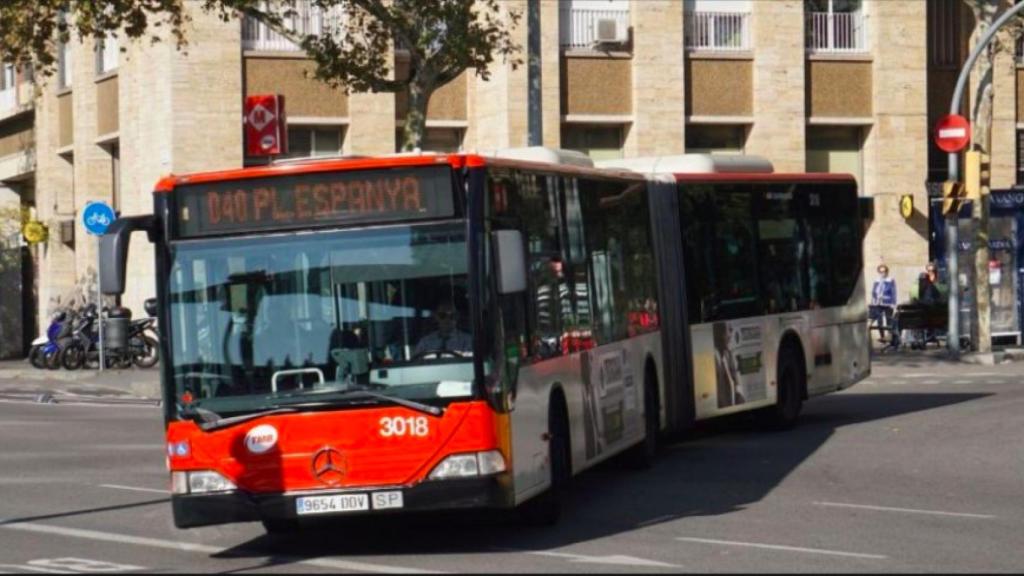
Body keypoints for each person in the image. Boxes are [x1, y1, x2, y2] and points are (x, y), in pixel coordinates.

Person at [870, 264, 897, 342]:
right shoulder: (877, 281)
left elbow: (893, 292)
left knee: (889, 320)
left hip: (887, 303)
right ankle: (882, 337)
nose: (882, 273)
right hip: (878, 303)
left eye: (884, 271)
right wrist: (874, 299)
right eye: (881, 272)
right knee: (879, 321)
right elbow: (873, 291)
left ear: (887, 272)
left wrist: (893, 303)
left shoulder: (890, 280)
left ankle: (889, 337)